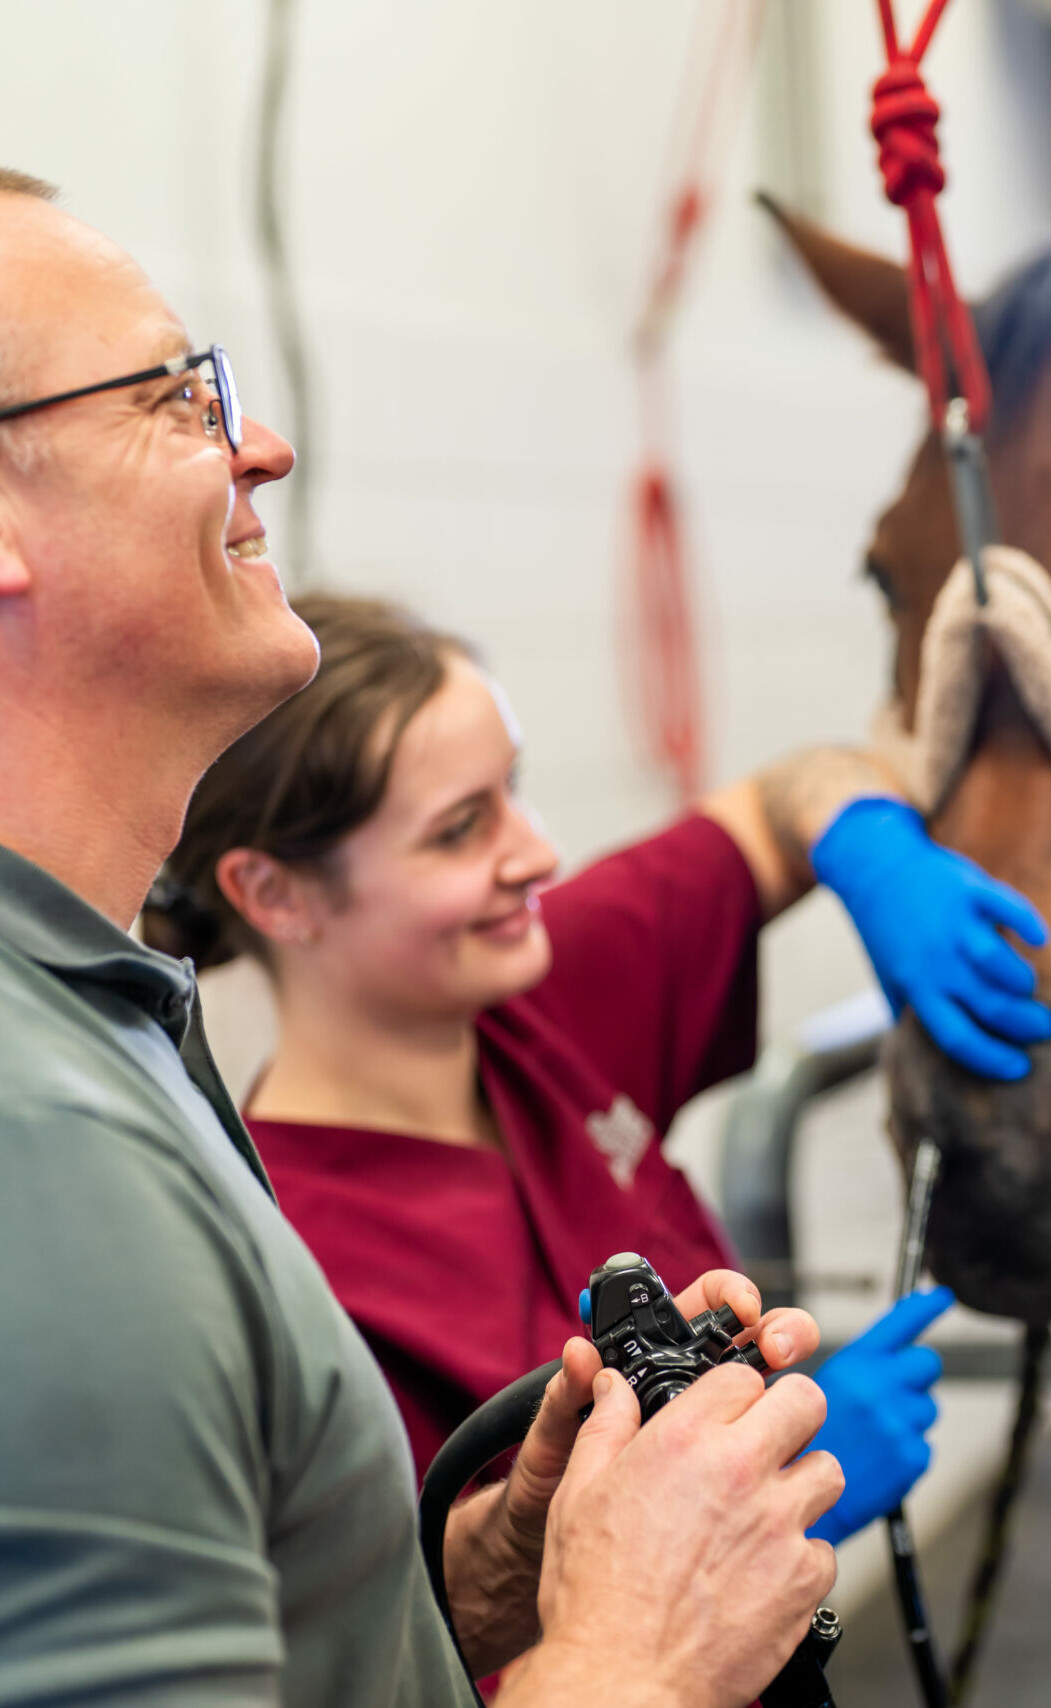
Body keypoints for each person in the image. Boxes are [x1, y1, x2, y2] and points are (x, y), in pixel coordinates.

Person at [0, 167, 845, 1708]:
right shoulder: (38, 1145)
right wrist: (637, 1649)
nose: (261, 444)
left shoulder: (111, 1017)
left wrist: (479, 1586)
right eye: (173, 401)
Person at [145, 589, 1051, 1544]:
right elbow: (429, 1644)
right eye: (461, 829)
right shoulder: (295, 1272)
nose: (536, 852)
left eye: (514, 789)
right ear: (275, 893)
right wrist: (771, 1511)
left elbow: (784, 798)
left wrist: (864, 841)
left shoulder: (542, 999)